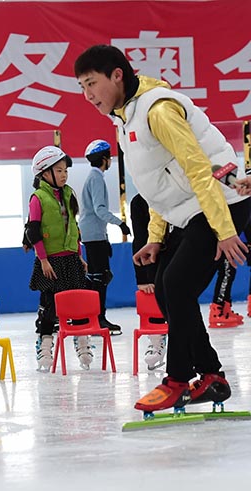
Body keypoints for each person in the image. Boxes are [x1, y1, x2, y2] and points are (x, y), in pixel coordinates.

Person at [75, 44, 251, 413]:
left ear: (117, 75)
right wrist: (156, 237)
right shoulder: (126, 119)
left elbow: (198, 166)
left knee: (176, 285)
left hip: (221, 205)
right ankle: (211, 377)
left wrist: (224, 229)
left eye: (92, 83)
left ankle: (177, 381)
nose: (88, 95)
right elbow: (155, 183)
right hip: (191, 212)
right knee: (168, 287)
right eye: (82, 87)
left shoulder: (158, 110)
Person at [24, 145, 90, 372]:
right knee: (49, 304)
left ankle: (81, 343)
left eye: (65, 171)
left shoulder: (69, 193)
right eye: (59, 171)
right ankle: (45, 344)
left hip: (71, 258)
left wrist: (79, 255)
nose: (64, 175)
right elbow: (33, 231)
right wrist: (43, 260)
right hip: (50, 260)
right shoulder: (38, 198)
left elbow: (74, 227)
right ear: (45, 173)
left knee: (78, 304)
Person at [79, 139, 131, 334]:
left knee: (95, 277)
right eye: (108, 157)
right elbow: (100, 210)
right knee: (100, 277)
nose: (110, 160)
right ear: (104, 159)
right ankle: (98, 318)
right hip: (93, 234)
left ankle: (91, 316)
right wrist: (121, 224)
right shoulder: (97, 178)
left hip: (92, 233)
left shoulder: (93, 177)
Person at [130, 193, 167, 370]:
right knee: (153, 295)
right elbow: (139, 237)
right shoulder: (139, 202)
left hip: (180, 251)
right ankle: (156, 340)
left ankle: (189, 346)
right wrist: (142, 278)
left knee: (182, 301)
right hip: (153, 254)